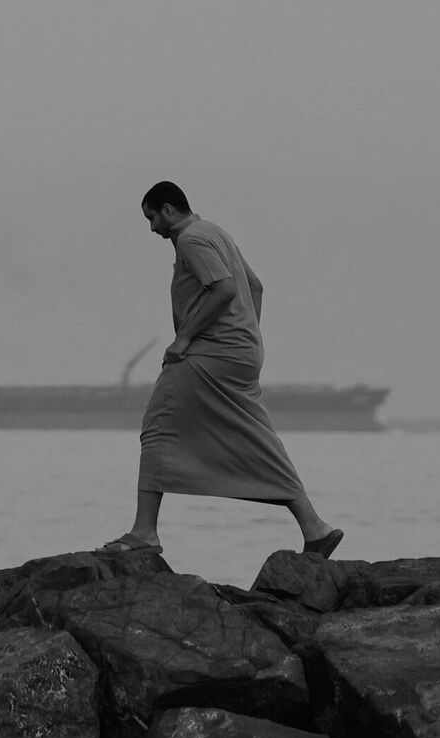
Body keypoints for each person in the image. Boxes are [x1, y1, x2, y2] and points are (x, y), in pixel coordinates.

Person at [99, 181, 343, 558]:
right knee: (256, 436)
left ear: (168, 210)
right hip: (242, 353)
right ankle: (314, 527)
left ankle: (144, 531)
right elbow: (255, 287)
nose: (151, 228)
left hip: (209, 352)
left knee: (158, 424)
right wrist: (246, 334)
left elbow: (224, 289)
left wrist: (184, 338)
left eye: (152, 218)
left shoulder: (190, 239)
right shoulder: (215, 232)